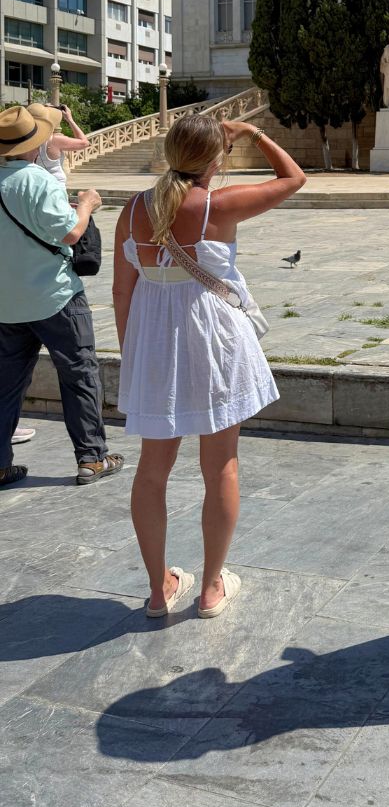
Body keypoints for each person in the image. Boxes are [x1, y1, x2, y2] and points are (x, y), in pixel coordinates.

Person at [113, 115, 305, 618]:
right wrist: (256, 134)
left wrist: (135, 356)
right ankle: (211, 587)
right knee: (220, 465)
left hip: (154, 339)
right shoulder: (216, 205)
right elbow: (293, 178)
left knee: (152, 471)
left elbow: (121, 292)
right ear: (216, 159)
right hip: (213, 336)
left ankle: (158, 590)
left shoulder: (132, 209)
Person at [0, 104, 124, 488]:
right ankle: (92, 458)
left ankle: (0, 464)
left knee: (5, 384)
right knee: (79, 374)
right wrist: (87, 204)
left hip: (7, 302)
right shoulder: (36, 180)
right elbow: (70, 233)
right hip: (55, 296)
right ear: (32, 144)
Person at [36, 103, 90, 187]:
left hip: (37, 183)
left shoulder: (30, 139)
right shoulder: (55, 140)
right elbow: (85, 143)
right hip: (55, 185)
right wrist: (70, 119)